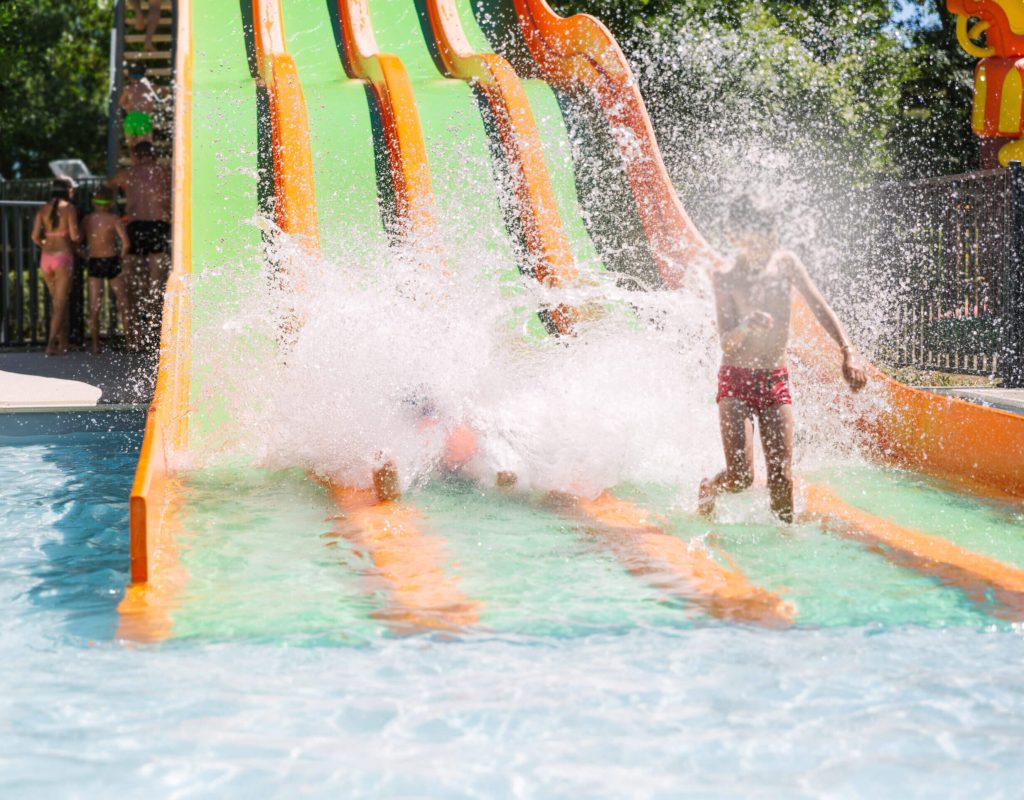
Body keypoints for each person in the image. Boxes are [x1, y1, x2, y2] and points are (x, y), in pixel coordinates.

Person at [698, 196, 867, 523]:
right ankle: (709, 487)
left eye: (769, 239)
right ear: (736, 237)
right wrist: (747, 325)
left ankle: (784, 549)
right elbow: (726, 343)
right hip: (736, 381)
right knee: (741, 478)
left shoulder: (787, 263)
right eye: (754, 241)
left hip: (775, 381)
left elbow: (821, 308)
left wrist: (848, 351)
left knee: (781, 478)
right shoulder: (726, 277)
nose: (763, 248)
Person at [108, 141, 171, 348]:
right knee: (156, 283)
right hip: (159, 226)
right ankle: (156, 335)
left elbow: (107, 186)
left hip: (135, 227)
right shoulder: (164, 172)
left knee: (134, 285)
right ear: (153, 155)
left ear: (136, 155)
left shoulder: (128, 174)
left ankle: (134, 337)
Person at [80, 186, 133, 354]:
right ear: (110, 204)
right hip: (111, 260)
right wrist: (121, 258)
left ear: (94, 202)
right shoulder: (114, 219)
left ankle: (96, 345)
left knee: (94, 306)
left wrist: (85, 256)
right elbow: (126, 243)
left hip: (95, 261)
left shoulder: (87, 220)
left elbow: (77, 243)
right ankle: (129, 343)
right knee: (124, 303)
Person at [31, 179, 80, 356]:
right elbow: (74, 236)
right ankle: (51, 344)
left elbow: (35, 236)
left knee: (59, 302)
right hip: (63, 258)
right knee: (60, 304)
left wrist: (45, 243)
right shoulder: (69, 208)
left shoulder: (43, 209)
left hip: (46, 259)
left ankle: (63, 343)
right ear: (67, 191)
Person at [118, 62, 163, 148]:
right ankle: (143, 160)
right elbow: (164, 92)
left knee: (131, 147)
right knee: (145, 147)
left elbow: (121, 103)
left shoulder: (128, 89)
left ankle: (135, 161)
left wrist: (127, 106)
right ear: (143, 75)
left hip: (131, 118)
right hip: (144, 118)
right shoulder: (149, 86)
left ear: (129, 76)